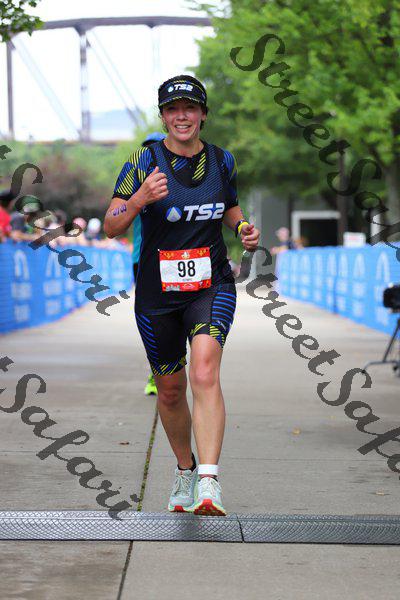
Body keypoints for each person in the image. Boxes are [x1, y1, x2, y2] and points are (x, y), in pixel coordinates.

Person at [104, 74, 260, 516]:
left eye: (190, 107)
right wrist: (138, 200)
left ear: (203, 114)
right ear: (163, 116)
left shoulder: (222, 160)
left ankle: (209, 483)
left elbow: (229, 207)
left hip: (211, 284)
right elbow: (111, 224)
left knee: (205, 371)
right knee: (171, 390)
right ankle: (185, 470)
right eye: (173, 109)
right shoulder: (143, 161)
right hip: (158, 294)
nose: (182, 116)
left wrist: (242, 227)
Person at [136, 132, 166, 396]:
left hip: (175, 258)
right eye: (147, 150)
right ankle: (155, 373)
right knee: (155, 323)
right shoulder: (134, 183)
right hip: (142, 260)